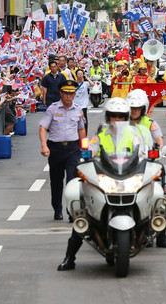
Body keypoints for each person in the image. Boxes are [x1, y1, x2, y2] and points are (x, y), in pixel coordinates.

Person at [57, 97, 140, 271]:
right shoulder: (101, 136)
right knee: (84, 212)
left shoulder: (133, 135)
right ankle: (70, 257)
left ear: (126, 117)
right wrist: (84, 158)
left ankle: (155, 230)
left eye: (120, 116)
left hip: (127, 177)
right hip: (105, 178)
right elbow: (90, 151)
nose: (117, 119)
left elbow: (142, 153)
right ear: (107, 116)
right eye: (113, 115)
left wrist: (148, 160)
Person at [126, 89, 166, 248]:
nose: (134, 111)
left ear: (143, 109)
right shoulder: (120, 123)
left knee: (162, 188)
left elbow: (159, 139)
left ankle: (162, 235)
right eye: (131, 108)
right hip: (125, 164)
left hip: (146, 162)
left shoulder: (150, 123)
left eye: (137, 108)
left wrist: (160, 150)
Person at [39, 80, 86, 221]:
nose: (68, 96)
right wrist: (43, 145)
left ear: (75, 94)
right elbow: (43, 127)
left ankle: (72, 210)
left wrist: (85, 148)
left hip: (73, 149)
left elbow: (81, 129)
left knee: (73, 183)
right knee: (56, 182)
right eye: (66, 93)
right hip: (56, 149)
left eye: (71, 94)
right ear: (61, 93)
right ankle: (57, 209)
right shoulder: (52, 109)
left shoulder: (78, 109)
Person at [74, 69, 90, 135]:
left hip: (83, 105)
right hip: (75, 105)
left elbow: (92, 84)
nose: (80, 75)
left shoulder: (85, 84)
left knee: (84, 121)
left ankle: (85, 135)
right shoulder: (73, 83)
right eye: (79, 74)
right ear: (76, 75)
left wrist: (87, 78)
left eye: (81, 74)